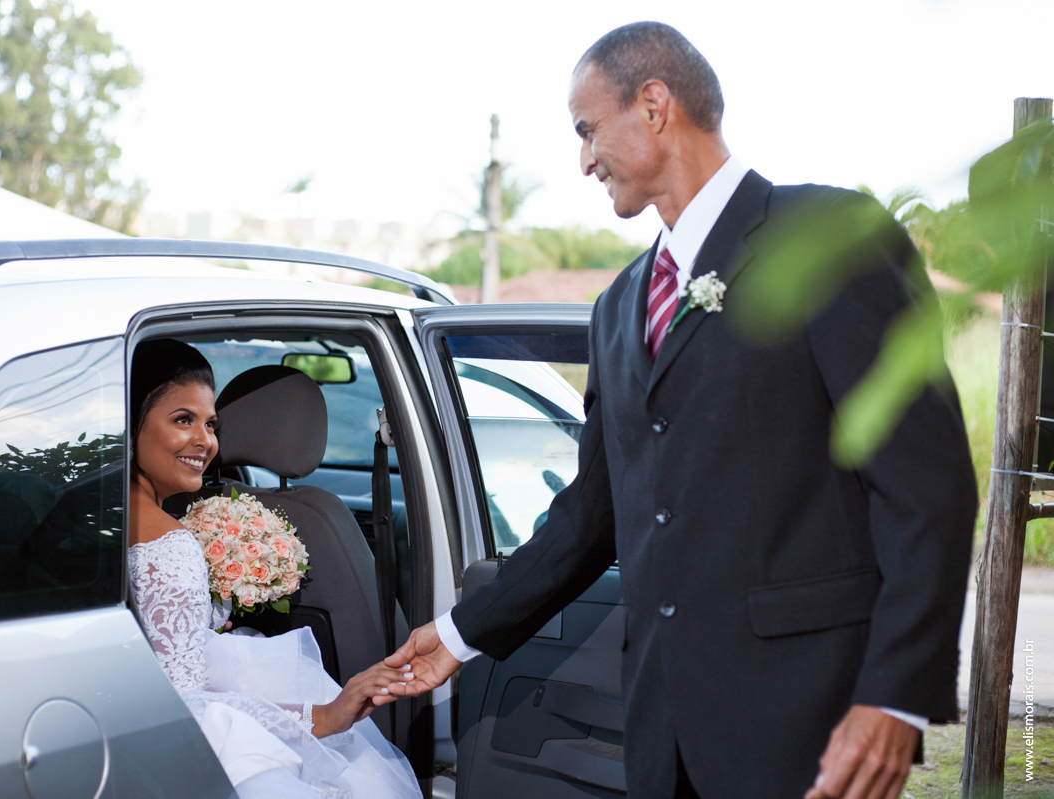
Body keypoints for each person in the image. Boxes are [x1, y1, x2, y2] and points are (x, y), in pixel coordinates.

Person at [380, 22, 978, 799]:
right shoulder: (618, 304)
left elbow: (924, 486)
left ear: (653, 104)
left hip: (810, 722)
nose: (583, 160)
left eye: (586, 129)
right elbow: (589, 515)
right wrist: (460, 635)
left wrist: (893, 694)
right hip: (663, 731)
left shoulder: (830, 237)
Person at [127, 338, 421, 799]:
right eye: (183, 420)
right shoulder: (171, 546)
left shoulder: (84, 518)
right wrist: (323, 716)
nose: (205, 442)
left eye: (211, 424)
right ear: (131, 424)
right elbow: (186, 710)